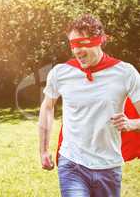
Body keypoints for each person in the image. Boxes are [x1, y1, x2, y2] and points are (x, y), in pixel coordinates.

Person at [38, 14, 140, 197]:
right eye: (73, 45)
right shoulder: (61, 73)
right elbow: (47, 107)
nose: (77, 51)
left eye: (83, 43)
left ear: (100, 40)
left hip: (109, 167)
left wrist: (132, 124)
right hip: (72, 163)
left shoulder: (125, 73)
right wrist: (43, 150)